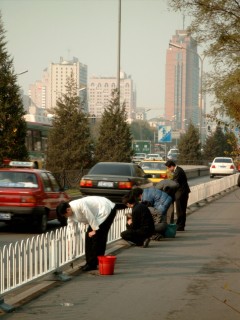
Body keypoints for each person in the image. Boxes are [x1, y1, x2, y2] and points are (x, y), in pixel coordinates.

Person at [56, 196, 125, 272]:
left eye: (65, 215)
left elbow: (89, 215)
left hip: (106, 209)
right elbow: (71, 230)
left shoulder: (78, 204)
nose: (66, 217)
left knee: (98, 237)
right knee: (89, 238)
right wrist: (70, 243)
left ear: (68, 210)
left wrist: (94, 230)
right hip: (97, 215)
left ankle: (93, 264)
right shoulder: (70, 214)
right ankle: (90, 263)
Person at [165, 160, 191, 231]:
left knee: (180, 210)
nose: (168, 170)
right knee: (182, 210)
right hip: (183, 193)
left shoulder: (178, 172)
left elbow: (174, 183)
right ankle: (181, 225)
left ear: (172, 166)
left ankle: (180, 226)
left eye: (168, 168)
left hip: (181, 193)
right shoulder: (178, 169)